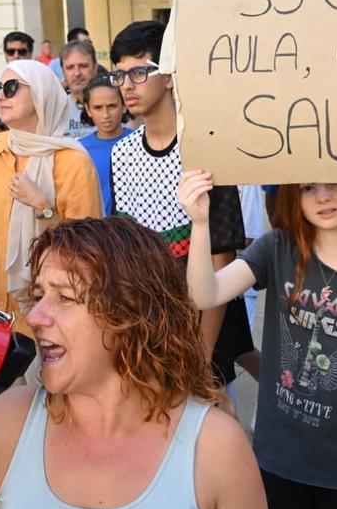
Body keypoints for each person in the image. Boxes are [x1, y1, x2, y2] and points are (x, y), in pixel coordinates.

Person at [0, 217, 270, 509]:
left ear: (132, 315)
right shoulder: (9, 421)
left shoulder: (215, 448)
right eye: (38, 295)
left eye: (65, 298)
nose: (35, 317)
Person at [180, 175, 337, 509]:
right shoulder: (277, 249)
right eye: (308, 187)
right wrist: (200, 223)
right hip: (280, 461)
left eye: (335, 183)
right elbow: (205, 295)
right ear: (294, 195)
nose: (323, 197)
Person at [107, 20, 256, 390]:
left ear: (170, 75)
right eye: (119, 75)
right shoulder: (121, 153)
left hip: (205, 308)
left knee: (213, 417)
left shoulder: (205, 149)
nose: (127, 85)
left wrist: (200, 356)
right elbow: (125, 248)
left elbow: (223, 258)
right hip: (149, 320)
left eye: (140, 72)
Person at [0, 60, 102, 337]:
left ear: (41, 94)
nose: (0, 96)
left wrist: (43, 207)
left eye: (11, 88)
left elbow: (87, 249)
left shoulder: (73, 161)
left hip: (46, 311)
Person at [77, 77, 128, 216]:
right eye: (98, 108)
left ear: (124, 106)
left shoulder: (138, 143)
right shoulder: (79, 150)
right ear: (88, 109)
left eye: (112, 106)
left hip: (135, 231)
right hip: (95, 231)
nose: (105, 115)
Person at [60, 40, 100, 138]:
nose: (77, 73)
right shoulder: (55, 109)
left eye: (83, 66)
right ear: (63, 71)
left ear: (95, 68)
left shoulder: (114, 105)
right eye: (70, 67)